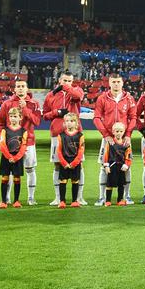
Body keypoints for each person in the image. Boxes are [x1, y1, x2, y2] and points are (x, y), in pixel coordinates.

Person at [93, 73, 137, 206]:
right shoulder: (102, 98)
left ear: (122, 83)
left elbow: (133, 117)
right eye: (114, 82)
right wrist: (105, 135)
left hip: (123, 140)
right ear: (109, 83)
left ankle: (126, 196)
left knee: (126, 166)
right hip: (108, 139)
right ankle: (102, 197)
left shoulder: (129, 98)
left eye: (118, 81)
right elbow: (96, 118)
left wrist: (128, 134)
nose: (116, 84)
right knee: (104, 166)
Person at [0, 80, 42, 205]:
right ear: (14, 89)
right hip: (11, 144)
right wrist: (3, 138)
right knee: (10, 172)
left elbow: (37, 121)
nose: (21, 89)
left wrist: (25, 109)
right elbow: (0, 123)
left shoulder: (34, 103)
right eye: (18, 87)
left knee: (30, 169)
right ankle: (6, 198)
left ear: (27, 89)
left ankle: (31, 197)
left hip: (29, 143)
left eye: (23, 86)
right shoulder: (7, 104)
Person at [44, 71, 85, 206]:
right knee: (57, 165)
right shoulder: (51, 95)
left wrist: (66, 88)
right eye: (65, 80)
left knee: (79, 165)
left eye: (70, 81)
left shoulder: (76, 91)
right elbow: (44, 115)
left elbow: (78, 96)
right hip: (57, 134)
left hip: (75, 134)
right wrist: (57, 113)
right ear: (59, 80)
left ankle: (79, 197)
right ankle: (58, 198)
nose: (67, 83)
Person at [0, 107, 28, 208]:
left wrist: (16, 157)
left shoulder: (24, 131)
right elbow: (2, 144)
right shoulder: (4, 130)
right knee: (5, 177)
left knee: (17, 178)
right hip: (6, 157)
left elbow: (23, 146)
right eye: (11, 116)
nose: (13, 118)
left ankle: (16, 201)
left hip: (17, 158)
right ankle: (3, 201)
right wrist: (9, 156)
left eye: (15, 116)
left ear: (20, 118)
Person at [56, 112, 85, 208]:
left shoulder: (80, 136)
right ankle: (62, 201)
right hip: (64, 162)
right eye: (67, 121)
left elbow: (81, 151)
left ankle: (74, 201)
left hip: (75, 163)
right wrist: (64, 163)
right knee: (63, 181)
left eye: (72, 121)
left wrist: (74, 163)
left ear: (76, 123)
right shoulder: (61, 136)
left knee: (75, 181)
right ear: (64, 123)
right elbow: (59, 151)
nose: (69, 123)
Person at [102, 122, 132, 206]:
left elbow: (128, 156)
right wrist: (106, 165)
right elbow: (106, 155)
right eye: (117, 131)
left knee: (121, 184)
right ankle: (108, 200)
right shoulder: (110, 143)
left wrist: (126, 164)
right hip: (112, 167)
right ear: (113, 132)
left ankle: (120, 200)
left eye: (121, 131)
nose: (119, 133)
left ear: (124, 132)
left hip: (121, 167)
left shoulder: (126, 144)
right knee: (110, 184)